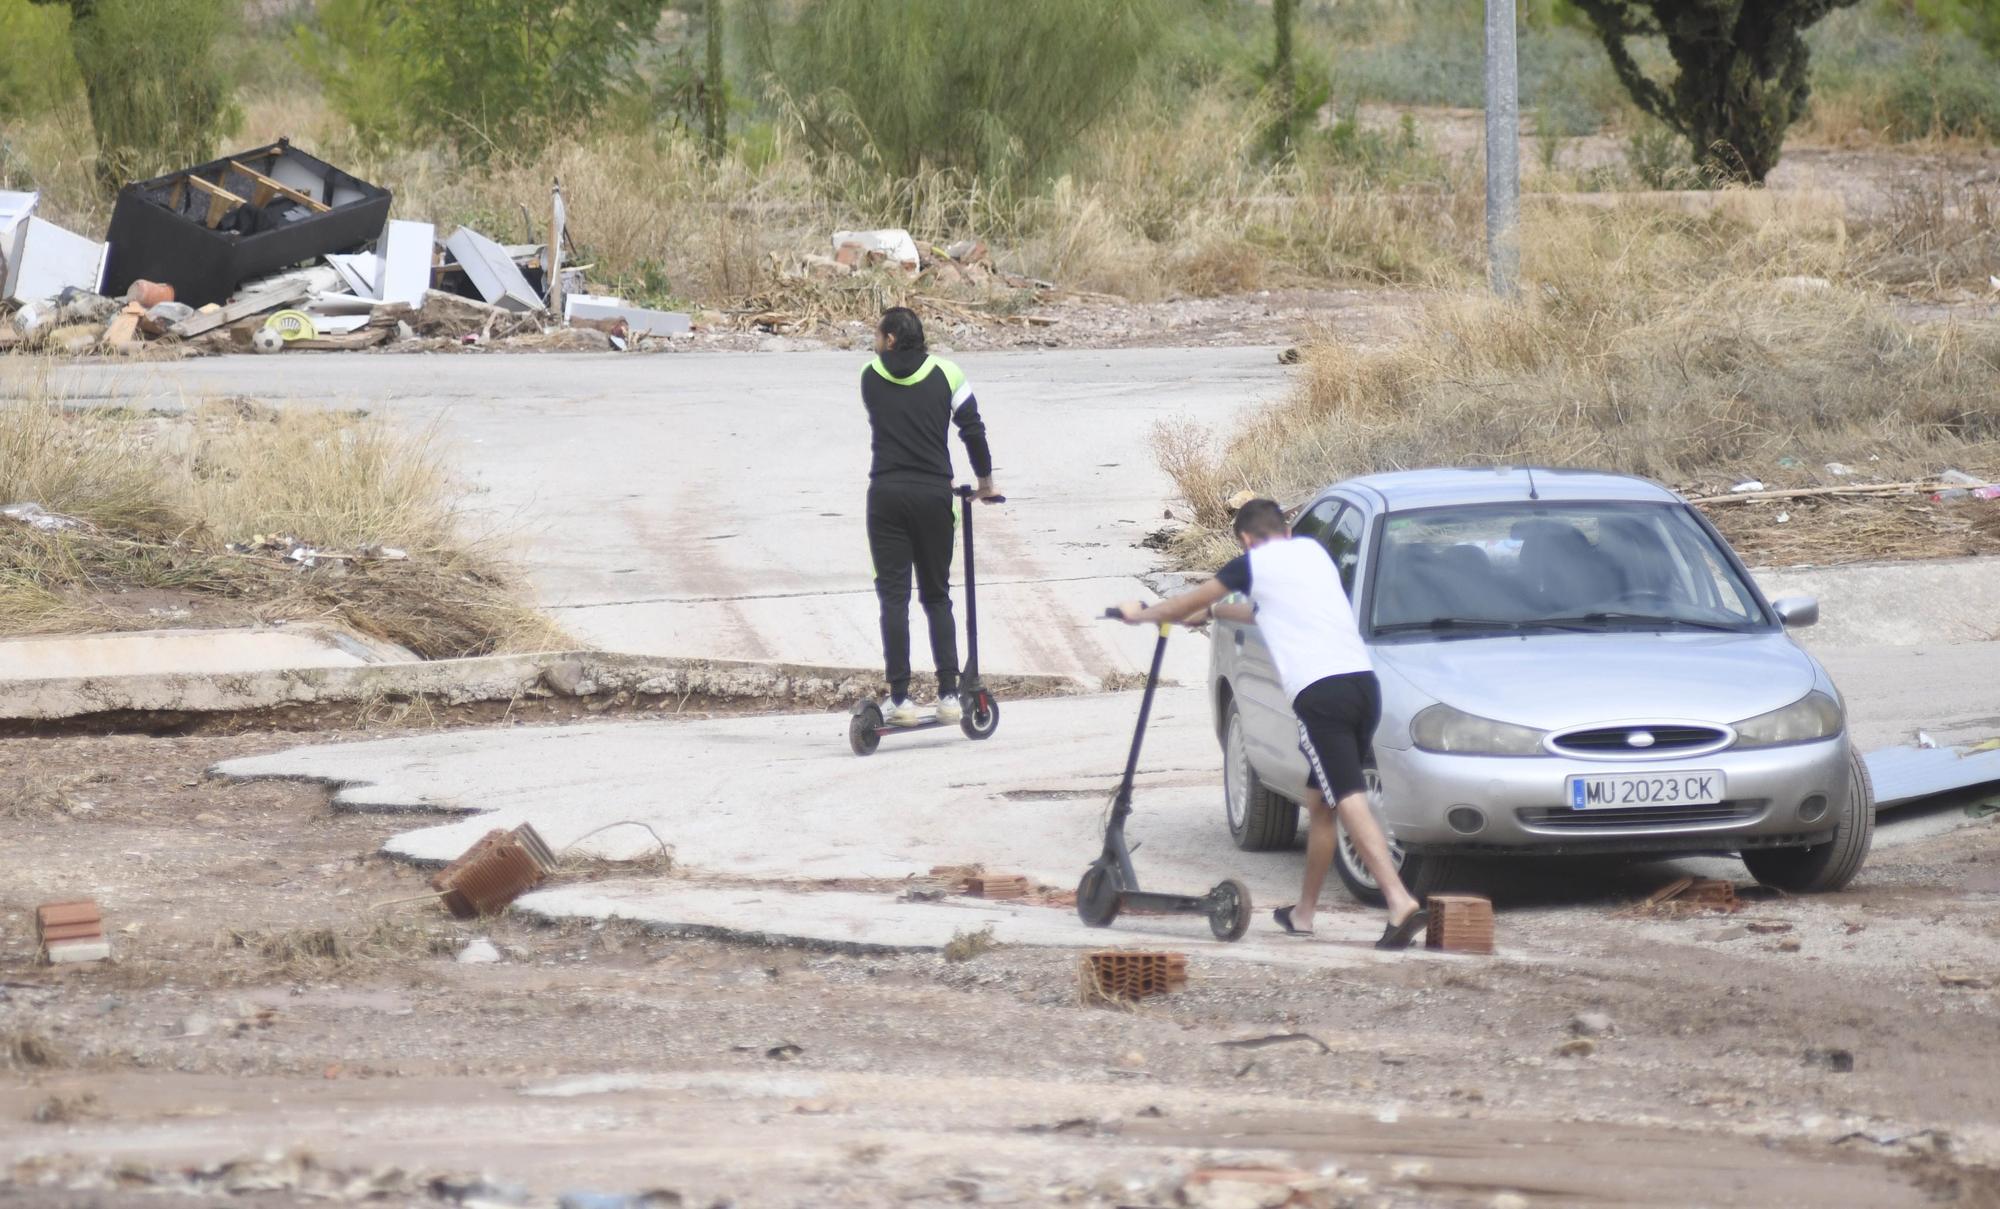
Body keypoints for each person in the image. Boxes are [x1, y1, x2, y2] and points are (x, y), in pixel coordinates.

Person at [1116, 498, 1427, 948]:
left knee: (1346, 795)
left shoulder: (1251, 565)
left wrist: (1140, 613)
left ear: (1245, 538)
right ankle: (1303, 914)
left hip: (1321, 696)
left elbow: (1185, 600)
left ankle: (1399, 902)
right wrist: (1217, 613)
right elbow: (1265, 612)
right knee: (1319, 801)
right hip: (1362, 685)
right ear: (1283, 526)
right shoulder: (1314, 554)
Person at [861, 307, 999, 726]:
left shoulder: (869, 375)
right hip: (933, 495)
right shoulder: (949, 373)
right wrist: (986, 483)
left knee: (893, 598)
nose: (873, 341)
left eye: (877, 334)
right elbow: (972, 428)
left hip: (885, 495)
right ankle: (949, 694)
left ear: (889, 340)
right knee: (937, 596)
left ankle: (900, 698)